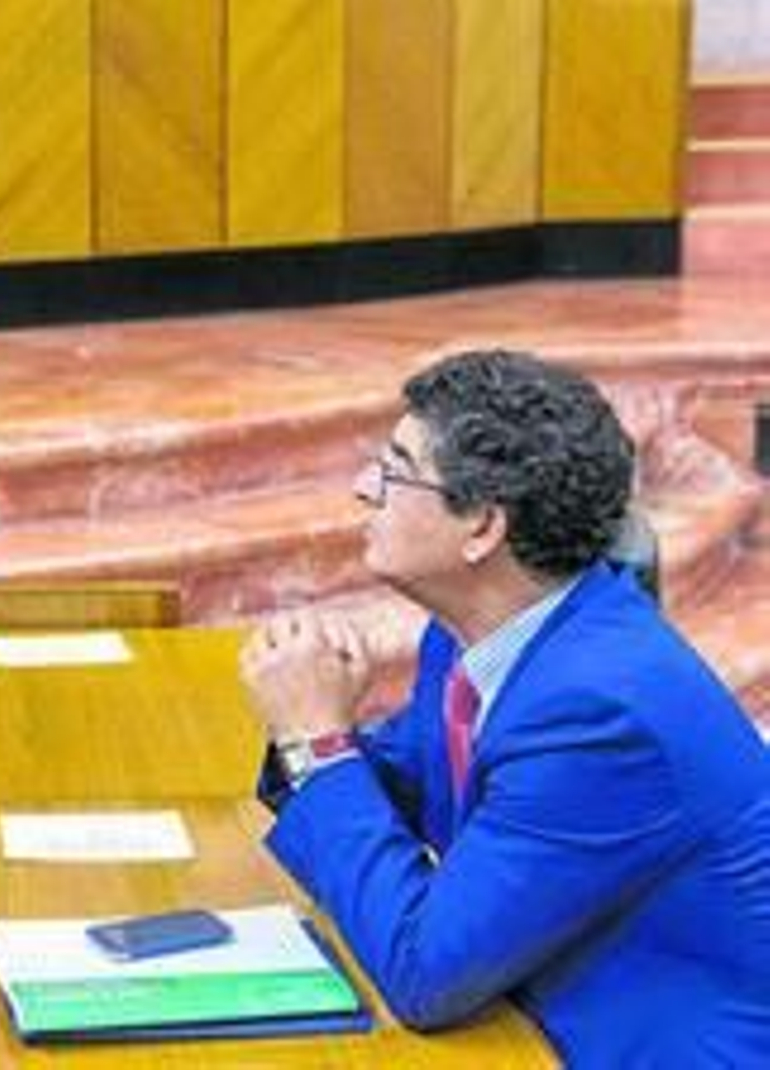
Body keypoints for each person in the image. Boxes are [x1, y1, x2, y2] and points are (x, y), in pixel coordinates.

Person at [241, 349, 770, 1066]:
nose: (365, 488)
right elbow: (429, 784)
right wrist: (318, 727)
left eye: (395, 469)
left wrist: (316, 740)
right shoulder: (479, 631)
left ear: (482, 528)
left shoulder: (600, 715)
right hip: (531, 1017)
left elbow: (426, 972)